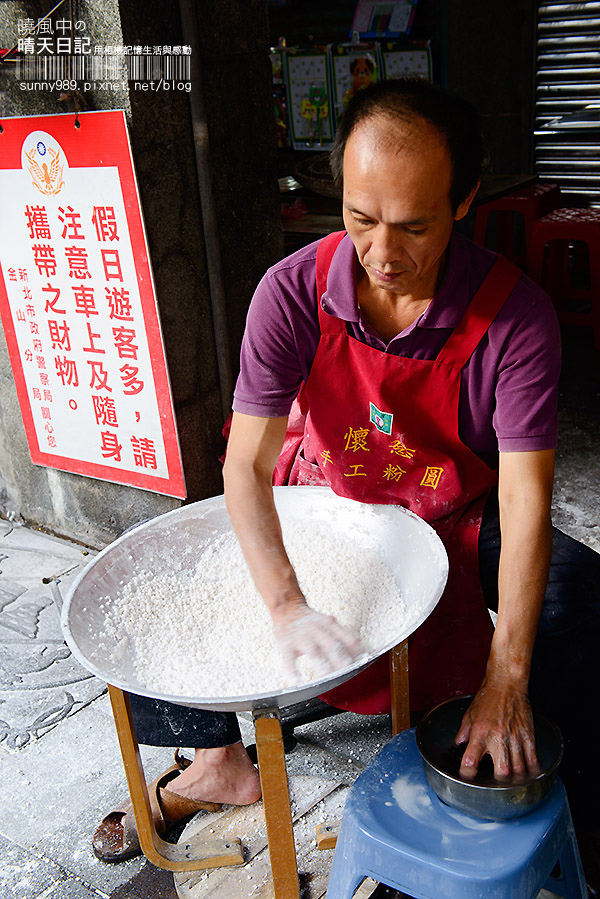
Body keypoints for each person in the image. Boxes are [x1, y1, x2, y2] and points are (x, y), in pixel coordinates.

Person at [94, 78, 600, 893]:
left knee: (583, 602)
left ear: (466, 199)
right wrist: (287, 603)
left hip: (453, 511)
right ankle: (217, 761)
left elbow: (525, 500)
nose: (383, 252)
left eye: (415, 225)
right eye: (361, 218)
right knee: (170, 562)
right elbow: (248, 467)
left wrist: (508, 677)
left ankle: (547, 801)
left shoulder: (517, 317)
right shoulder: (292, 290)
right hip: (331, 495)